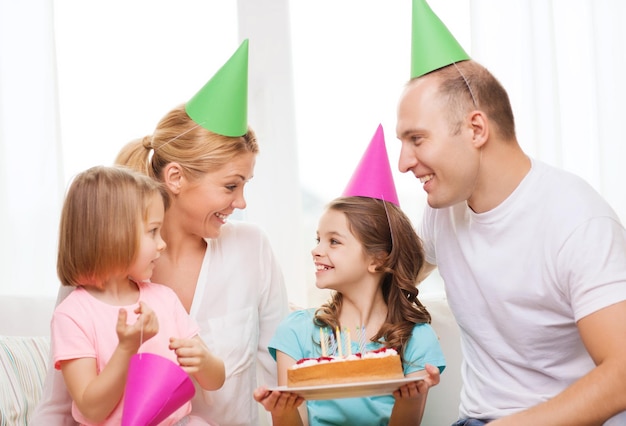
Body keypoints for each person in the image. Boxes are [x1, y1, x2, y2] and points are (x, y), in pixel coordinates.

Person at [32, 39, 289, 426]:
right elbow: (60, 402)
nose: (241, 203)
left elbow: (276, 378)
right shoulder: (99, 267)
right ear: (176, 177)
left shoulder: (252, 250)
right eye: (230, 186)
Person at [394, 1, 626, 424]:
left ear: (476, 129)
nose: (404, 162)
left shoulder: (578, 221)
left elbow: (621, 374)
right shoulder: (442, 214)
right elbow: (390, 278)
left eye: (417, 139)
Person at [254, 125, 445, 426]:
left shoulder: (414, 339)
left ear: (377, 259)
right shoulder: (297, 332)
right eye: (318, 239)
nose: (316, 250)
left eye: (334, 241)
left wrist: (412, 400)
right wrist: (281, 410)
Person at [52, 165, 225, 425]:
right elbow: (91, 409)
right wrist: (126, 349)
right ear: (113, 235)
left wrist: (205, 362)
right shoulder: (72, 315)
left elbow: (215, 380)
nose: (162, 243)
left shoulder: (164, 299)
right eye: (153, 231)